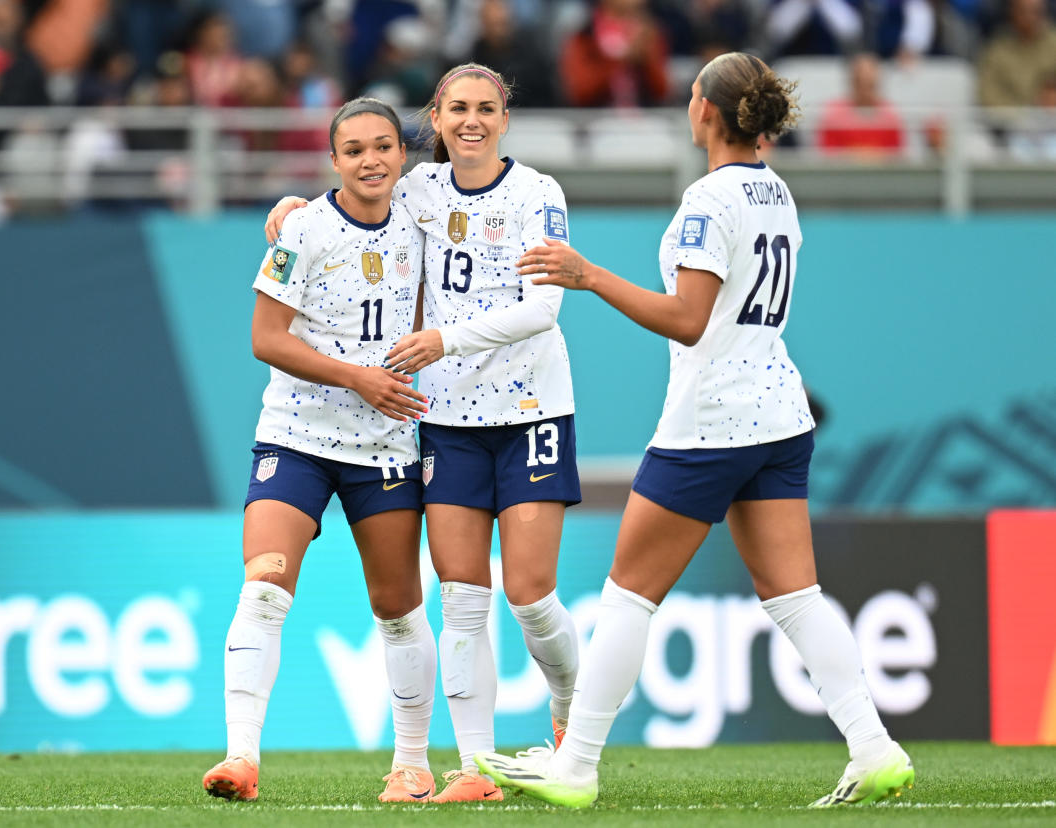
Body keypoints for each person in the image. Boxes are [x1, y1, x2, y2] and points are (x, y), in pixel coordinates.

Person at [475, 51, 915, 809]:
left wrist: (589, 275)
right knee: (795, 595)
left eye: (691, 93)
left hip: (714, 420)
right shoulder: (776, 192)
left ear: (706, 111)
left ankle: (575, 764)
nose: (687, 102)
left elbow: (687, 320)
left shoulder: (708, 200)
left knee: (627, 596)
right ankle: (873, 744)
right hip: (779, 415)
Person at [265, 63, 582, 804]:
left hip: (532, 408)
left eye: (486, 108)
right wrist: (290, 208)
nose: (471, 121)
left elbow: (543, 311)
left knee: (531, 595)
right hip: (445, 421)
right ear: (435, 120)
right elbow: (346, 198)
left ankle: (571, 712)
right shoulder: (416, 189)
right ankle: (477, 770)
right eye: (457, 109)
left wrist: (441, 339)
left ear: (506, 118)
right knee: (461, 598)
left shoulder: (539, 194)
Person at [202, 97, 439, 805]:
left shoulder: (425, 224)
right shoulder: (301, 229)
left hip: (387, 443)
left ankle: (412, 765)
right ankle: (240, 758)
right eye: (355, 150)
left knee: (399, 608)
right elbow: (266, 338)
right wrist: (356, 377)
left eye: (383, 147)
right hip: (296, 436)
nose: (371, 160)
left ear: (402, 155)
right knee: (265, 585)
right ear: (332, 161)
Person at [815, 52, 905, 157]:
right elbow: (828, 155)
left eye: (869, 84)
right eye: (860, 83)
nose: (865, 90)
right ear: (852, 82)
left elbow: (896, 156)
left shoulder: (889, 115)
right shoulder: (833, 115)